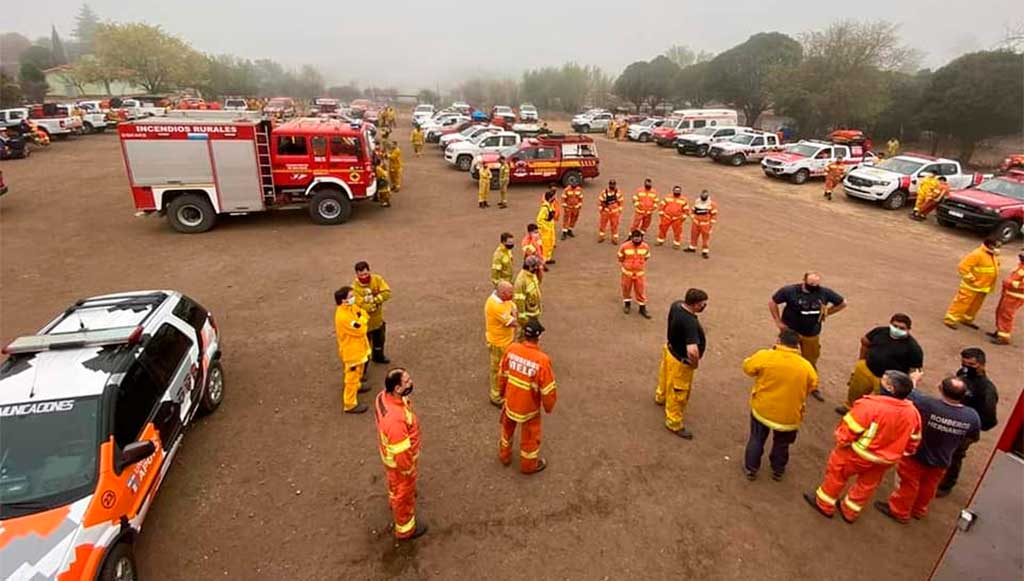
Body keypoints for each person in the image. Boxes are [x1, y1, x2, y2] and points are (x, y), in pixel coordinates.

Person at [804, 370, 922, 523]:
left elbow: (848, 431)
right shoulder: (913, 413)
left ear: (891, 389)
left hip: (857, 454)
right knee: (867, 485)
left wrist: (842, 442)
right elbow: (914, 440)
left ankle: (824, 504)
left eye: (884, 381)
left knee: (837, 475)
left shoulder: (869, 406)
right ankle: (849, 511)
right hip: (885, 460)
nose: (880, 381)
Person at [875, 376, 980, 524]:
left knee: (908, 484)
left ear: (940, 389)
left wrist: (913, 379)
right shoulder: (972, 416)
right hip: (943, 459)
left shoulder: (926, 404)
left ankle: (899, 511)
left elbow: (909, 393)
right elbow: (973, 437)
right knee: (929, 486)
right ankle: (919, 510)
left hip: (917, 454)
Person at [742, 329, 818, 480]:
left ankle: (751, 468)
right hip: (789, 415)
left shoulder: (766, 356)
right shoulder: (806, 366)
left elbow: (748, 368)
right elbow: (812, 385)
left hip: (763, 409)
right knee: (782, 444)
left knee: (757, 438)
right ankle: (778, 470)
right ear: (797, 346)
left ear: (778, 340)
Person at [769, 272, 847, 401]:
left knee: (810, 360)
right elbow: (772, 302)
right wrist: (778, 322)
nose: (814, 287)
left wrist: (827, 313)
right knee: (782, 356)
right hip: (790, 332)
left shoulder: (824, 293)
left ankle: (812, 386)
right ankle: (775, 378)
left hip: (811, 333)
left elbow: (843, 303)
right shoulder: (790, 291)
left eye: (816, 284)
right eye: (811, 284)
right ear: (803, 281)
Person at [936, 348, 999, 496]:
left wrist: (971, 427)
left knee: (956, 455)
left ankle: (946, 485)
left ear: (982, 365)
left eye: (972, 364)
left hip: (966, 428)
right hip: (952, 418)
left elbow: (989, 419)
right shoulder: (963, 373)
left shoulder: (987, 389)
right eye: (964, 363)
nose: (967, 367)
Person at [374, 368, 427, 540]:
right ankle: (405, 529)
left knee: (394, 484)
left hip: (390, 460)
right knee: (404, 495)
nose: (411, 382)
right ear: (397, 388)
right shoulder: (396, 420)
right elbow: (402, 453)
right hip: (400, 465)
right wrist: (408, 470)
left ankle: (393, 499)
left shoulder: (383, 397)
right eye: (407, 381)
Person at [498, 318, 557, 474]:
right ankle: (528, 465)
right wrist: (548, 407)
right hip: (529, 408)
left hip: (511, 401)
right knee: (530, 436)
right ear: (539, 337)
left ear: (524, 334)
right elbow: (548, 390)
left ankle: (504, 455)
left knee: (507, 429)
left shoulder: (511, 349)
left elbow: (502, 374)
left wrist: (502, 393)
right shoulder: (542, 360)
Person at [836, 313, 924, 416]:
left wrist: (905, 387)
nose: (897, 329)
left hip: (887, 379)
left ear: (908, 329)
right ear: (890, 324)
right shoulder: (880, 331)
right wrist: (861, 360)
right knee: (855, 390)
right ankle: (849, 407)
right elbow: (865, 341)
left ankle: (867, 417)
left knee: (879, 402)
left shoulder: (913, 348)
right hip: (866, 368)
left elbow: (915, 371)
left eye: (901, 328)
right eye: (895, 326)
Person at [655, 288, 709, 440]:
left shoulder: (677, 305)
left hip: (670, 350)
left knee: (665, 377)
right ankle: (674, 422)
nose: (704, 306)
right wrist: (695, 364)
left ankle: (661, 397)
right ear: (696, 305)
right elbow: (692, 351)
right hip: (681, 361)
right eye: (703, 304)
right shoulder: (690, 322)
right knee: (679, 392)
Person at [944, 237, 1002, 329]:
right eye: (997, 246)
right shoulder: (977, 254)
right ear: (990, 245)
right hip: (971, 286)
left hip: (983, 287)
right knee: (961, 303)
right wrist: (971, 278)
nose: (999, 248)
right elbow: (963, 267)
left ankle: (967, 319)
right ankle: (950, 320)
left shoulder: (992, 254)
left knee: (975, 306)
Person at [334, 286, 371, 414]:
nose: (353, 298)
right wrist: (363, 319)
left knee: (359, 371)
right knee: (352, 376)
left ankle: (357, 386)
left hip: (358, 349)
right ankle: (350, 404)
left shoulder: (350, 308)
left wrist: (362, 319)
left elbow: (362, 313)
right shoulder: (343, 317)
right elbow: (361, 329)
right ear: (343, 300)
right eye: (350, 297)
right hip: (351, 352)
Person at [485, 281, 518, 406]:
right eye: (511, 292)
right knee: (497, 369)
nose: (513, 295)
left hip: (505, 341)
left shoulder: (503, 300)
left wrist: (513, 312)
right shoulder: (495, 306)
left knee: (504, 368)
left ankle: (502, 389)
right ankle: (495, 396)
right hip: (498, 343)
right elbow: (514, 322)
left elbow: (513, 306)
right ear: (503, 293)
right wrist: (514, 315)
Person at [353, 262, 392, 365]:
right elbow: (360, 304)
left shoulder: (377, 279)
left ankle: (378, 357)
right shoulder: (354, 288)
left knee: (379, 341)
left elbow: (387, 292)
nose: (364, 277)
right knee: (364, 348)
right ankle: (362, 369)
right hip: (364, 324)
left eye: (366, 274)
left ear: (369, 271)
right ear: (356, 274)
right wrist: (372, 305)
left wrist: (375, 300)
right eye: (361, 275)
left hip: (378, 320)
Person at [988, 249, 1024, 345]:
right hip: (1009, 294)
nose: (1021, 255)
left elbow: (1021, 285)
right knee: (1000, 312)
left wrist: (1009, 283)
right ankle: (1000, 331)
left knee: (1006, 315)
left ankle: (1004, 337)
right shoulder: (1021, 266)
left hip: (1015, 296)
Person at [618, 230, 652, 318]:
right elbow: (620, 257)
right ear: (632, 238)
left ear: (641, 238)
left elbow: (647, 256)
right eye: (635, 238)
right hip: (627, 273)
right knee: (626, 289)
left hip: (639, 274)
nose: (637, 240)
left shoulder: (645, 246)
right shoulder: (624, 246)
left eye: (639, 238)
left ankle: (642, 308)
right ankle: (627, 304)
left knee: (640, 291)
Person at [513, 256, 543, 334]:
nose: (538, 268)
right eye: (536, 266)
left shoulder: (531, 275)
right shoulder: (521, 281)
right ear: (530, 267)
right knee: (524, 340)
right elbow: (519, 304)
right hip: (527, 319)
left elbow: (539, 282)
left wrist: (540, 271)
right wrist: (525, 323)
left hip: (534, 315)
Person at [685, 190, 718, 258]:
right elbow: (693, 210)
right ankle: (692, 247)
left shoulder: (712, 204)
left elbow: (714, 214)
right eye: (702, 195)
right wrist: (693, 217)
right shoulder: (697, 202)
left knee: (705, 238)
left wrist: (711, 224)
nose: (703, 196)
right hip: (696, 223)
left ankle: (705, 251)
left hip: (705, 224)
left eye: (705, 195)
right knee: (693, 235)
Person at [598, 179, 624, 244]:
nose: (612, 185)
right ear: (609, 185)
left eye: (613, 184)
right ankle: (601, 237)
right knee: (602, 224)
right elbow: (600, 201)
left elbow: (621, 202)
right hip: (605, 211)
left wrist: (619, 210)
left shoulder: (618, 193)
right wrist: (601, 209)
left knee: (614, 225)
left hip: (615, 212)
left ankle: (614, 239)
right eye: (611, 184)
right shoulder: (604, 192)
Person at [536, 187, 558, 265]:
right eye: (553, 198)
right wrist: (545, 229)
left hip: (550, 228)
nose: (554, 199)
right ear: (549, 198)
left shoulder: (550, 205)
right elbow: (539, 220)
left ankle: (548, 258)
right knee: (545, 245)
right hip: (545, 230)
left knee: (550, 244)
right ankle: (543, 261)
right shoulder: (544, 208)